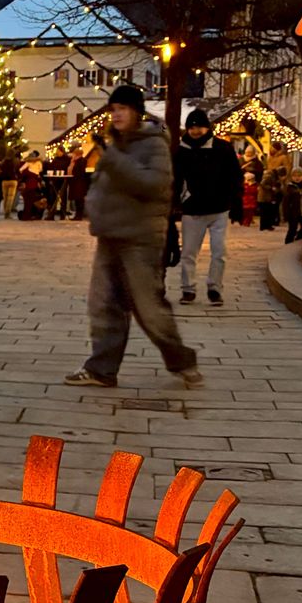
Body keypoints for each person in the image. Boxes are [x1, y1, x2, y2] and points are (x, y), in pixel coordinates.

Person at [65, 84, 200, 389]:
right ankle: (102, 369)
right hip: (110, 236)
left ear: (137, 112)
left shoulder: (152, 144)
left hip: (140, 240)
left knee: (148, 307)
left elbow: (153, 186)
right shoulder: (117, 145)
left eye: (122, 109)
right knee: (103, 305)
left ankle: (182, 360)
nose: (116, 115)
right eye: (113, 110)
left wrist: (112, 159)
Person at [174, 108, 242, 306]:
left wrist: (235, 201)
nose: (195, 131)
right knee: (188, 252)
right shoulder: (181, 151)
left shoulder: (223, 148)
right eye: (192, 127)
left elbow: (234, 176)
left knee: (219, 251)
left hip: (219, 208)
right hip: (192, 208)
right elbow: (175, 179)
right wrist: (175, 202)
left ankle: (214, 288)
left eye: (199, 127)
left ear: (207, 128)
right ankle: (188, 289)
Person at [283, 169, 302, 243]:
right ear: (291, 177)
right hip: (293, 212)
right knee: (292, 229)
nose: (297, 178)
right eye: (294, 176)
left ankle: (298, 239)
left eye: (299, 176)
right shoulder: (289, 187)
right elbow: (285, 202)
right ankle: (288, 243)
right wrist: (285, 214)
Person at [67, 148, 89, 221]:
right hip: (75, 182)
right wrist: (72, 162)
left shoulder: (82, 161)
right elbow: (69, 170)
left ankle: (79, 215)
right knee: (77, 200)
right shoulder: (74, 161)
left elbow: (80, 172)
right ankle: (77, 215)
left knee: (79, 200)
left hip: (80, 183)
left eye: (74, 154)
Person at [0, 154, 20, 219]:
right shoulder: (15, 162)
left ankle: (6, 212)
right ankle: (7, 213)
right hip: (13, 180)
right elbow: (18, 171)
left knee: (5, 197)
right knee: (10, 198)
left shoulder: (3, 163)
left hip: (4, 180)